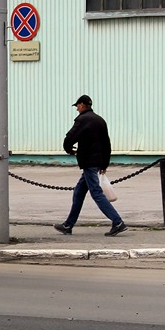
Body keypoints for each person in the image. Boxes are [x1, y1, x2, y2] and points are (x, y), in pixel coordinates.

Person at [54, 94, 127, 237]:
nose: (76, 109)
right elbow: (107, 143)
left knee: (96, 193)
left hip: (88, 162)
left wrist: (68, 149)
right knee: (79, 192)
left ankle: (117, 222)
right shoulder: (100, 120)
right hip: (97, 161)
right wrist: (105, 162)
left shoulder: (82, 119)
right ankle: (68, 225)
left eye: (77, 106)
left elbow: (70, 137)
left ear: (82, 105)